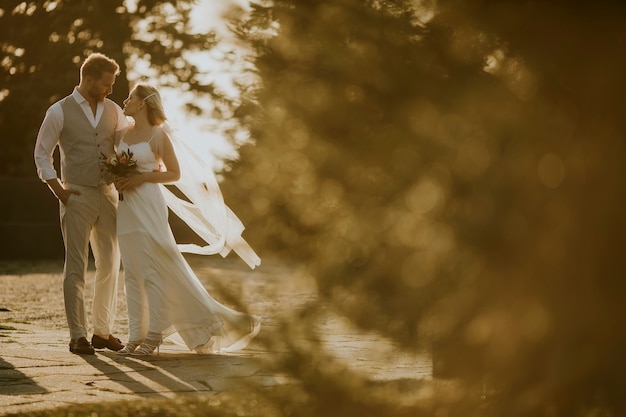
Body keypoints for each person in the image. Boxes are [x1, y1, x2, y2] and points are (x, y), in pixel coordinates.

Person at [113, 83, 260, 356]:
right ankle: (135, 336)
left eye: (130, 97)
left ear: (142, 103)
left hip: (149, 205)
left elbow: (174, 174)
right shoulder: (121, 133)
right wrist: (118, 177)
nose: (125, 101)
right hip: (127, 208)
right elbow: (113, 161)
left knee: (153, 270)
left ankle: (154, 336)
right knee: (132, 272)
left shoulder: (158, 136)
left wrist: (142, 176)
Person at [34, 53, 129, 355]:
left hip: (109, 194)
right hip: (76, 195)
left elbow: (128, 147)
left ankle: (102, 332)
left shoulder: (114, 111)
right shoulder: (58, 111)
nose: (110, 90)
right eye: (106, 84)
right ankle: (78, 335)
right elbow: (41, 154)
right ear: (88, 79)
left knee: (111, 264)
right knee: (76, 265)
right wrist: (59, 191)